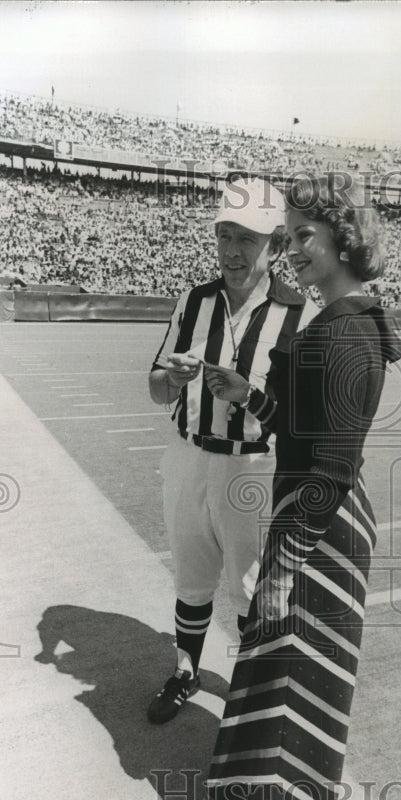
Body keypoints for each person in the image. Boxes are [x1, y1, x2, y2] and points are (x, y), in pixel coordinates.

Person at [197, 172, 401, 800]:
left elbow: (332, 464)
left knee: (297, 699)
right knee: (274, 684)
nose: (289, 250)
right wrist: (245, 394)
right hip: (305, 515)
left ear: (343, 235)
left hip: (320, 527)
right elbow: (300, 425)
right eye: (284, 237)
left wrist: (283, 569)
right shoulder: (336, 317)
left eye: (301, 236)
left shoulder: (350, 326)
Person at [146, 176, 317, 724]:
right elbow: (154, 388)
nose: (230, 251)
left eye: (245, 238)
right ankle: (185, 672)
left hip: (253, 465)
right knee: (191, 576)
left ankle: (246, 695)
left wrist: (252, 397)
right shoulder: (194, 301)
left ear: (275, 246)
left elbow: (302, 424)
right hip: (189, 456)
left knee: (249, 587)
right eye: (224, 235)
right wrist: (168, 378)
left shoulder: (299, 316)